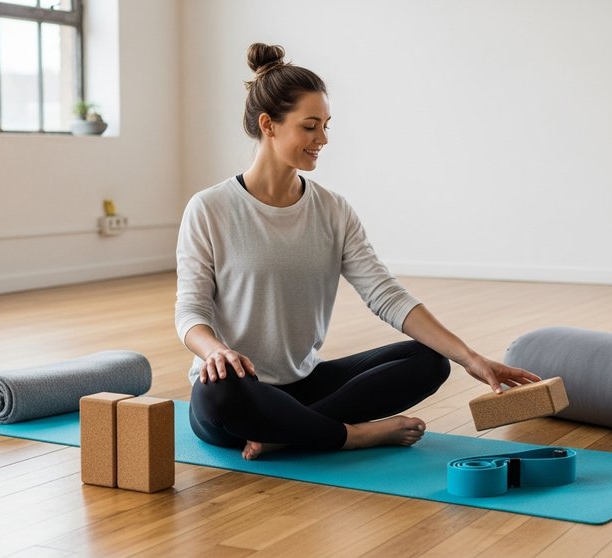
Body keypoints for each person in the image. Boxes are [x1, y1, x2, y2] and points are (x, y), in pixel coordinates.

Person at [176, 43, 539, 461]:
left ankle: (290, 432)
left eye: (327, 125)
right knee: (218, 394)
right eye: (310, 126)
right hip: (239, 388)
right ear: (268, 125)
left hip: (305, 383)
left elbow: (385, 295)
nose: (323, 139)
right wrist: (215, 351)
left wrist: (472, 359)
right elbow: (190, 312)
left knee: (432, 361)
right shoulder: (210, 208)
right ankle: (352, 435)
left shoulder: (332, 209)